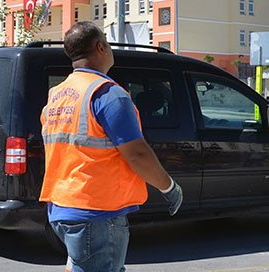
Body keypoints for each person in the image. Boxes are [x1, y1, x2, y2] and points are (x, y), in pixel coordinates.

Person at [41, 21, 183, 272]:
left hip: (61, 209)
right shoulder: (107, 94)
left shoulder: (57, 95)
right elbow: (138, 155)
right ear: (101, 47)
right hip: (96, 213)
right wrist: (169, 187)